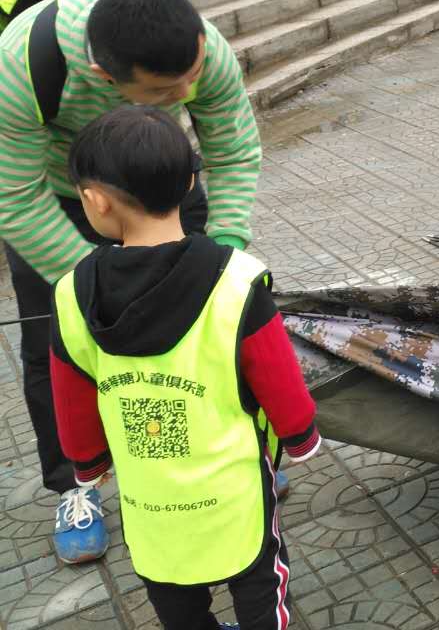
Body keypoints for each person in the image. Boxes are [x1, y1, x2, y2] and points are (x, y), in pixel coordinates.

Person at [0, 0, 263, 563]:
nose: (189, 91)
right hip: (63, 195)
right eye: (167, 90)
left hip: (161, 182)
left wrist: (220, 252)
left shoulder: (198, 49)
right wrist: (95, 285)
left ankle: (227, 451)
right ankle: (76, 484)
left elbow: (233, 150)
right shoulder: (19, 67)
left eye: (194, 74)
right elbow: (14, 198)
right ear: (104, 77)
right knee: (55, 342)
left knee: (207, 326)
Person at [50, 106, 318, 628]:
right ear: (192, 182)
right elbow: (276, 372)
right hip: (234, 491)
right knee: (260, 582)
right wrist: (301, 434)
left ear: (95, 200)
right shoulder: (236, 280)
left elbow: (72, 395)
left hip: (149, 500)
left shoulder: (71, 294)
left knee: (174, 599)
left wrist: (88, 463)